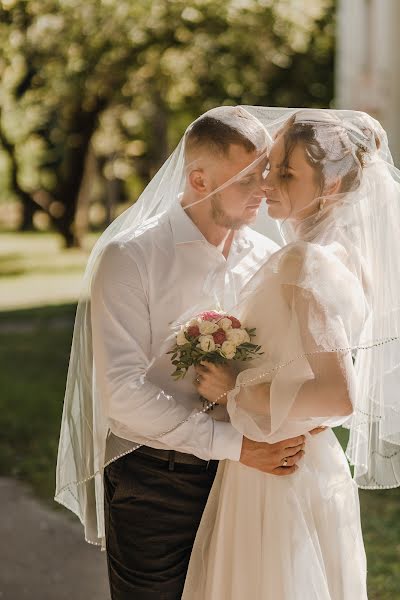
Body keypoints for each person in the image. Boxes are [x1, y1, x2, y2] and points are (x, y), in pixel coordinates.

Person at [54, 106, 327, 599]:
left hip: (243, 483)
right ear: (199, 179)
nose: (263, 190)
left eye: (264, 173)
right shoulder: (131, 258)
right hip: (155, 482)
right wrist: (239, 448)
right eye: (247, 178)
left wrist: (301, 406)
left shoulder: (264, 257)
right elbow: (121, 394)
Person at [182, 109, 400, 599]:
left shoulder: (306, 260)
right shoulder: (344, 254)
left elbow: (337, 395)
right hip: (308, 462)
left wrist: (234, 388)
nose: (268, 181)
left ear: (334, 182)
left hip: (278, 475)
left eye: (286, 172)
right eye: (269, 166)